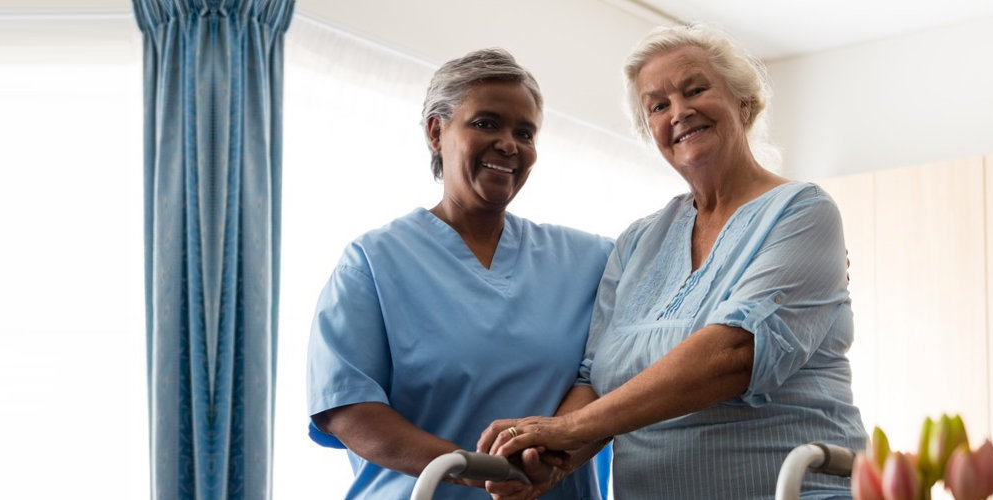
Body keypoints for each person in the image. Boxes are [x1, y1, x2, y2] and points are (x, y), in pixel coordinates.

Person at [478, 25, 867, 499]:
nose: (679, 112)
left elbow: (735, 354)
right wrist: (551, 463)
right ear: (652, 132)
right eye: (658, 106)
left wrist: (569, 429)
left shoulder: (802, 211)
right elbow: (596, 380)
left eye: (695, 89)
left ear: (743, 102)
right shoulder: (638, 241)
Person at [306, 48, 611, 500]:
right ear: (436, 130)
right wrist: (478, 470)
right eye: (486, 123)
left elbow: (611, 383)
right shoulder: (372, 262)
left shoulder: (590, 261)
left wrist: (551, 458)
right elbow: (348, 410)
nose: (509, 144)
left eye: (524, 132)